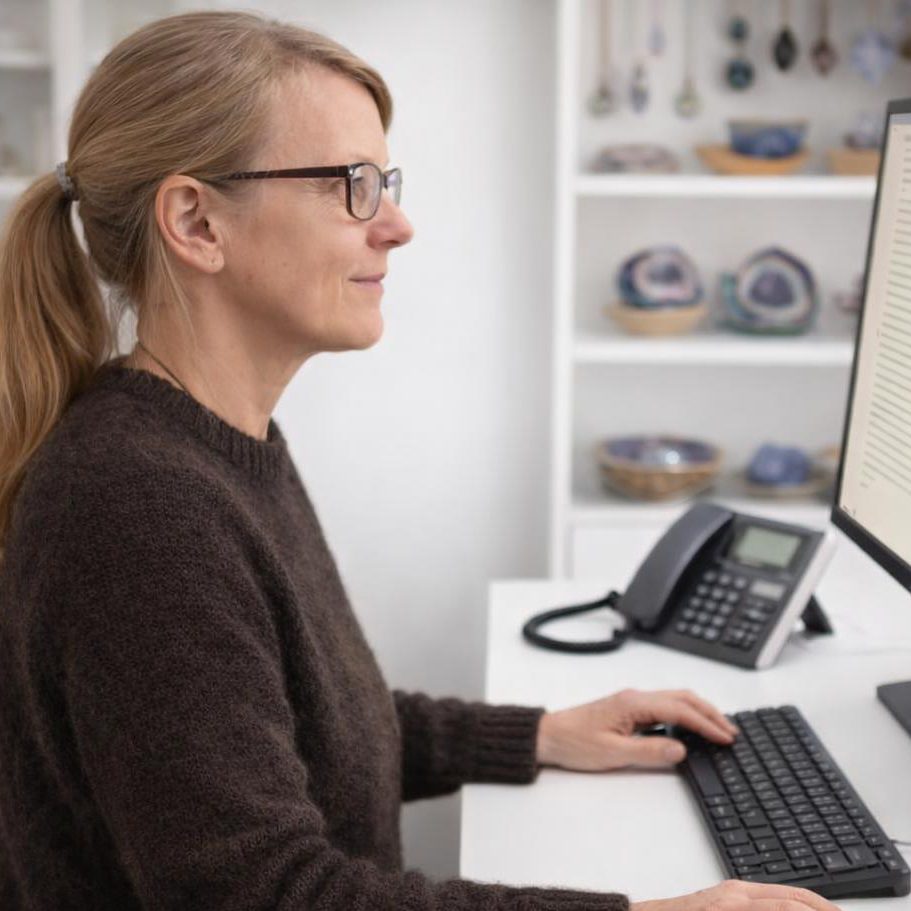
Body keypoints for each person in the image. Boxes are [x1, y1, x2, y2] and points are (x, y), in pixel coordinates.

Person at [0, 11, 842, 911]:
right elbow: (267, 893)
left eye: (384, 181)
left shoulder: (209, 447)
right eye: (351, 185)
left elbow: (305, 728)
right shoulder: (139, 508)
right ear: (197, 221)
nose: (396, 224)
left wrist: (538, 734)